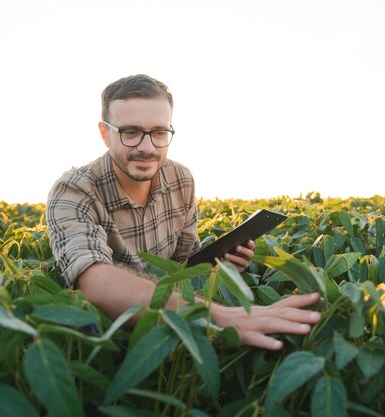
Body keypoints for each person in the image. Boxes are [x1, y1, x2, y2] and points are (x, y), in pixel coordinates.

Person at [46, 74, 321, 350]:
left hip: (176, 334)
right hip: (109, 342)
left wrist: (217, 270)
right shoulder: (75, 190)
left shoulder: (181, 180)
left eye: (159, 133)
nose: (147, 147)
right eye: (130, 132)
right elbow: (94, 281)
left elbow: (184, 268)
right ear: (106, 134)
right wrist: (221, 316)